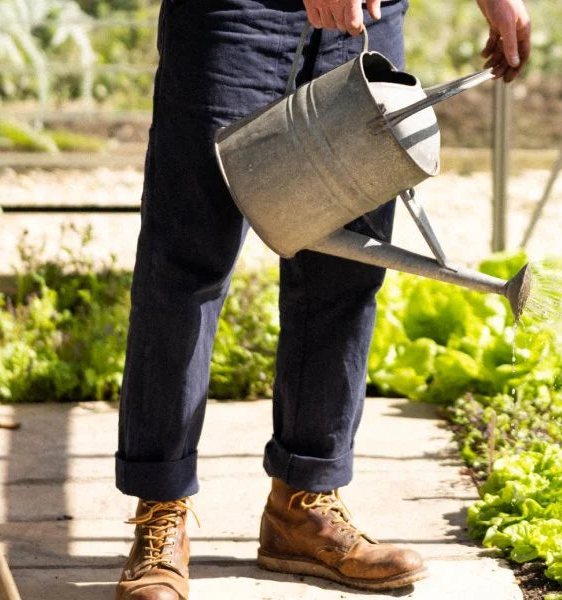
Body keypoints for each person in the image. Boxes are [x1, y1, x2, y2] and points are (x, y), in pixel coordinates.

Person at [113, 0, 529, 596]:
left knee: (349, 261)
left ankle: (303, 506)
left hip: (368, 12)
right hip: (235, 12)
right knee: (188, 259)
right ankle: (161, 512)